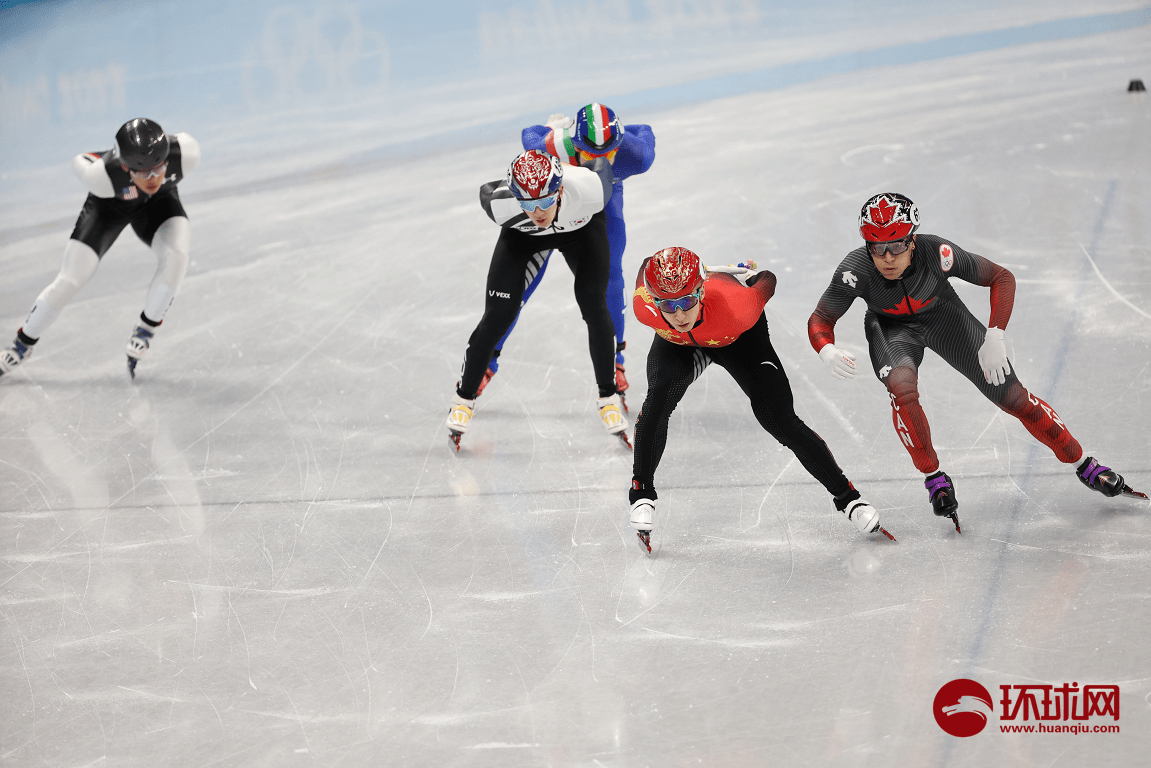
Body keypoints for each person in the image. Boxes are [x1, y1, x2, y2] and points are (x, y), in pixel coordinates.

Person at [808, 192, 1145, 532]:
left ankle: (1083, 462)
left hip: (944, 317)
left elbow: (1002, 277)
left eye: (896, 245)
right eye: (876, 247)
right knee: (901, 387)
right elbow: (822, 317)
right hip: (891, 329)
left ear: (913, 241)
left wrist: (995, 333)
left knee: (1013, 398)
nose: (887, 256)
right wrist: (826, 348)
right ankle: (934, 478)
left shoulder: (938, 253)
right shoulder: (855, 269)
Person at [627, 246, 894, 554]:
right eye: (668, 305)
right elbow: (648, 263)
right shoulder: (644, 307)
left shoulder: (738, 304)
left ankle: (849, 499)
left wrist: (750, 276)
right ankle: (642, 494)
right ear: (654, 300)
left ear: (700, 291)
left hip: (739, 339)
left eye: (687, 300)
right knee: (656, 403)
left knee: (778, 419)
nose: (679, 314)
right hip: (678, 347)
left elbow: (769, 278)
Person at [475, 103, 656, 409]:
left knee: (610, 277)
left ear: (619, 145)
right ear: (574, 144)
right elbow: (529, 135)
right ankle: (486, 361)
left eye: (608, 154)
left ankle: (616, 360)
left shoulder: (635, 155)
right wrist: (554, 132)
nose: (599, 164)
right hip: (554, 202)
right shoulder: (556, 145)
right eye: (590, 155)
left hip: (601, 205)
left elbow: (645, 132)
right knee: (518, 287)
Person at [446, 149, 628, 451]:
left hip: (582, 232)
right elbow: (490, 192)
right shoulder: (501, 205)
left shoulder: (590, 188)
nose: (538, 212)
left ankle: (608, 397)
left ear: (558, 190)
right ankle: (463, 400)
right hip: (523, 239)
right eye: (528, 204)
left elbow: (600, 165)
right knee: (497, 316)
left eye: (544, 201)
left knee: (595, 306)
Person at [0, 118, 199, 381]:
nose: (152, 178)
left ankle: (145, 330)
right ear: (126, 166)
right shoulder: (101, 177)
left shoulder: (186, 153)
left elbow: (160, 168)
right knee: (71, 279)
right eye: (142, 173)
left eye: (158, 169)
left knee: (177, 256)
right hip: (109, 207)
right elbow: (80, 159)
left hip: (159, 203)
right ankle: (21, 345)